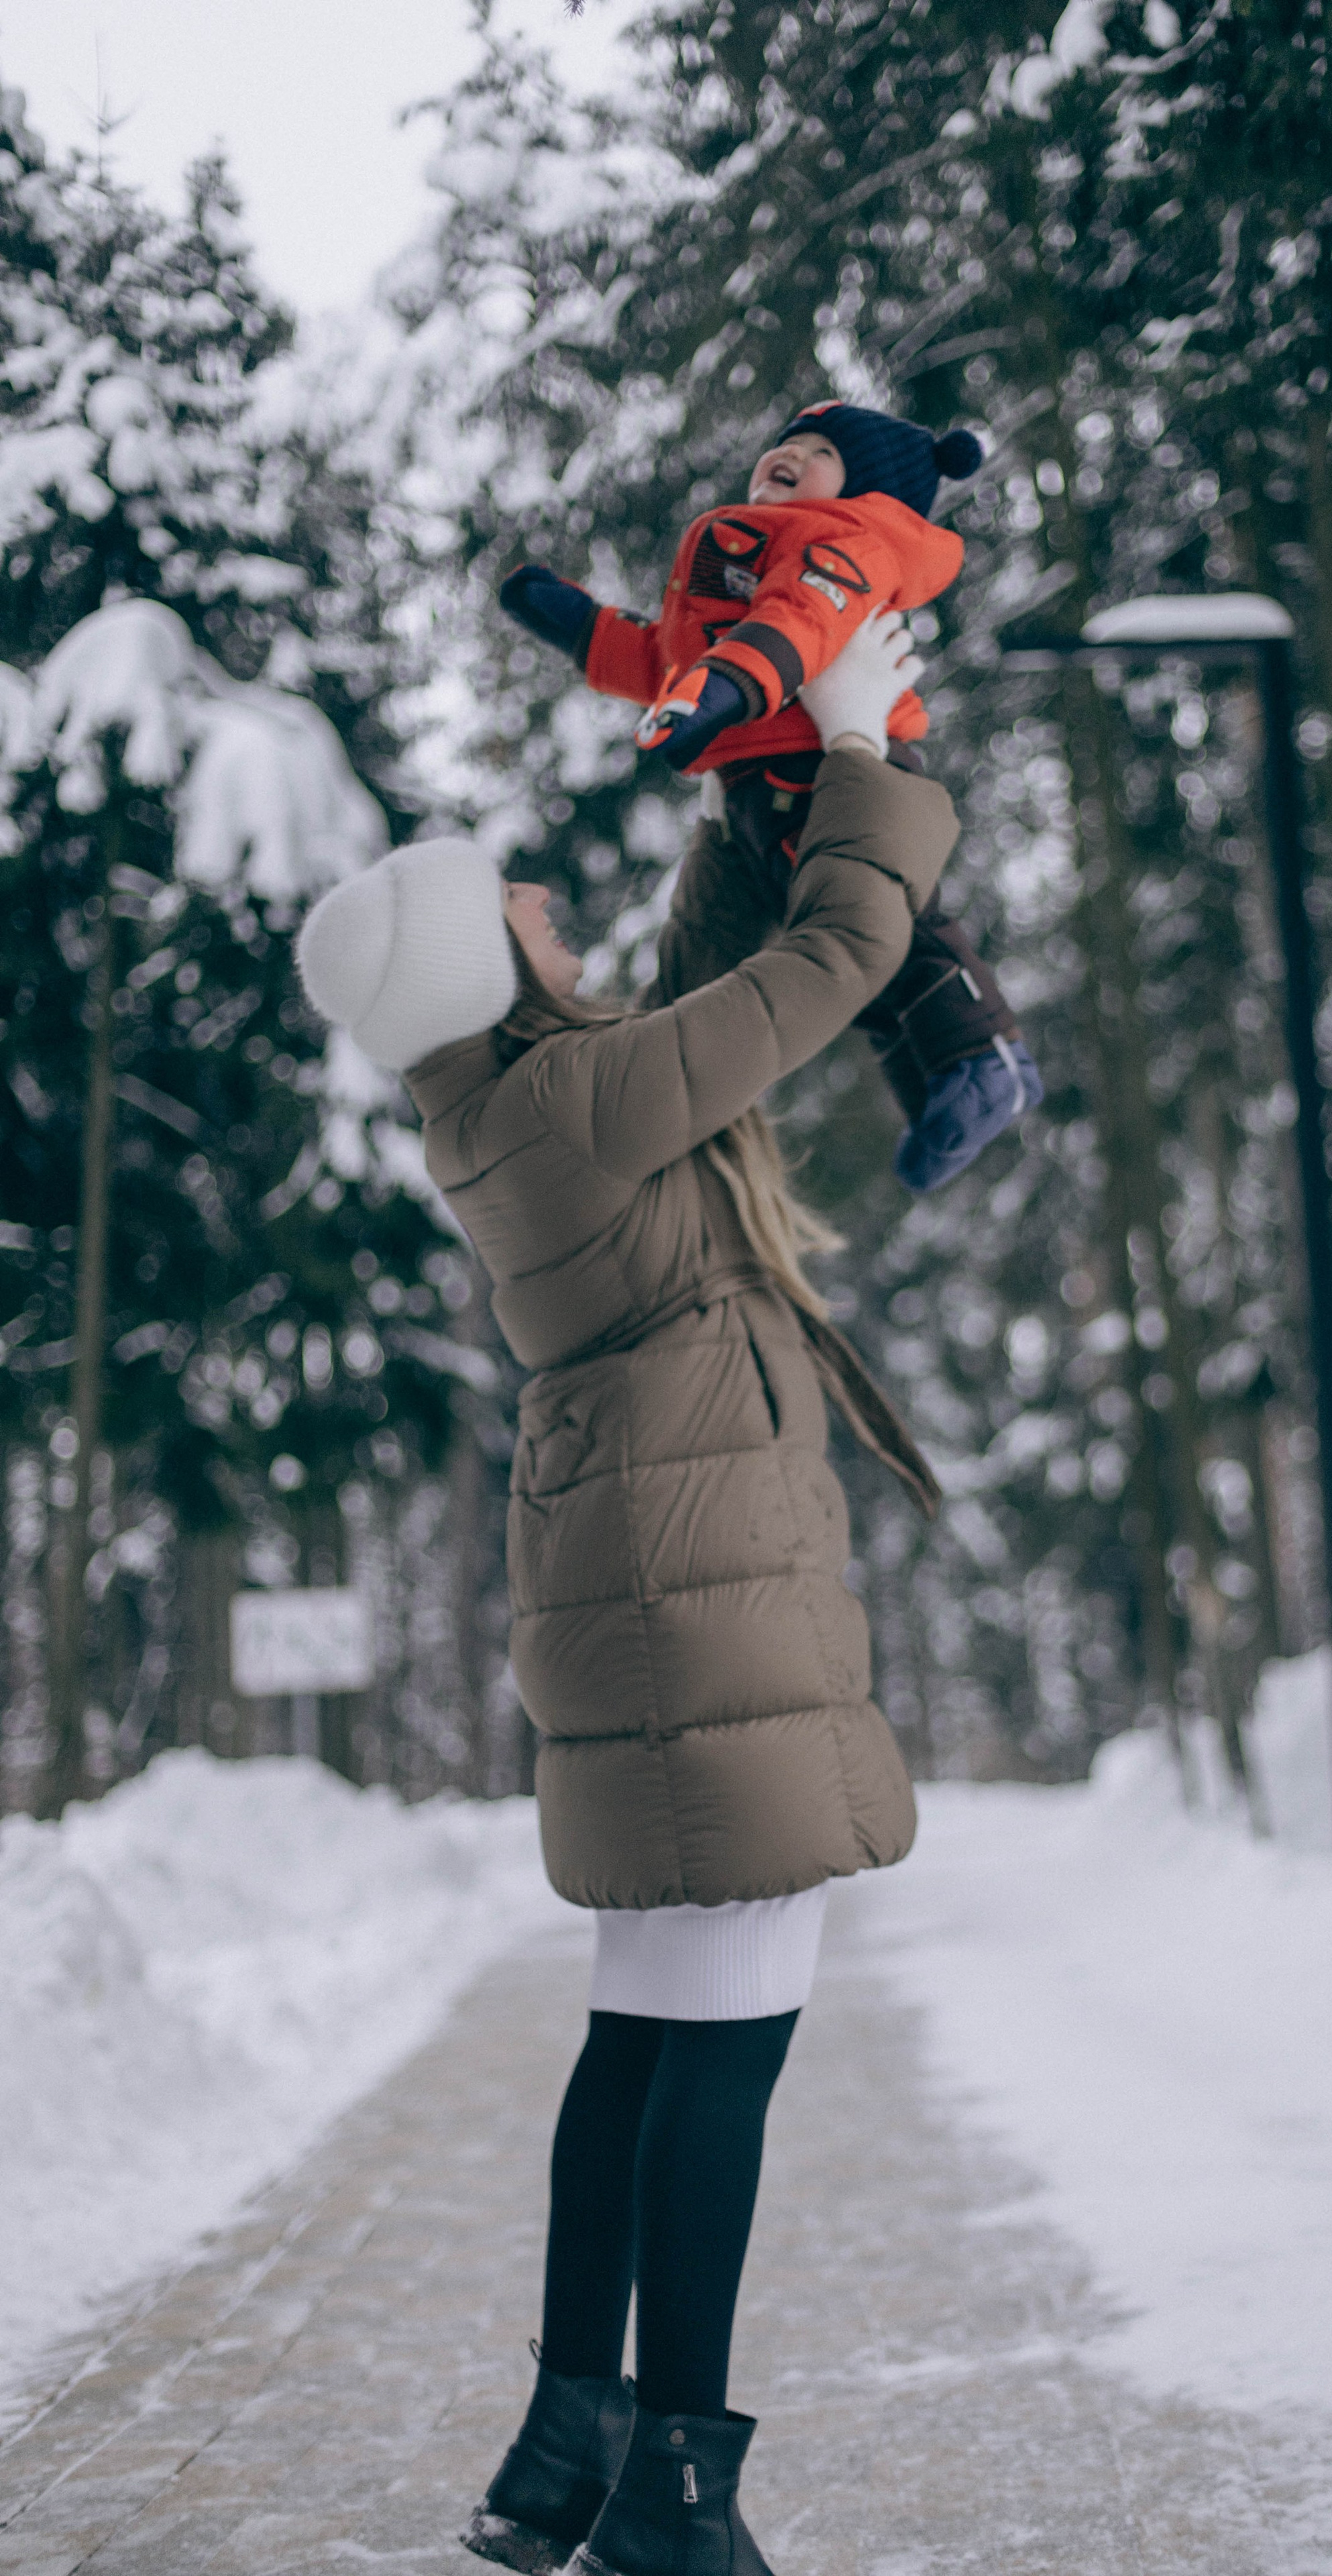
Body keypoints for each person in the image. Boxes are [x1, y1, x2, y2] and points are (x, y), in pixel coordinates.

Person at [295, 616, 955, 2576]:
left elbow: (702, 975)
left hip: (650, 1579)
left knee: (652, 2033)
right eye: (492, 896)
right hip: (693, 1601)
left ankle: (567, 2448)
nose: (525, 887)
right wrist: (852, 744)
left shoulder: (531, 1094)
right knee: (722, 2043)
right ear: (477, 966)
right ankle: (679, 2481)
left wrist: (768, 753)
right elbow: (828, 962)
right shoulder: (581, 1102)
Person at [498, 398, 1043, 1194]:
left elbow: (804, 621)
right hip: (760, 780)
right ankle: (930, 1089)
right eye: (784, 443)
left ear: (867, 492)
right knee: (836, 945)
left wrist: (721, 689)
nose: (785, 456)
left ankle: (985, 1057)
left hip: (834, 761)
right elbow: (664, 657)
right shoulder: (738, 552)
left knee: (885, 919)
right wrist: (582, 627)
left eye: (822, 450)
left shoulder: (844, 542)